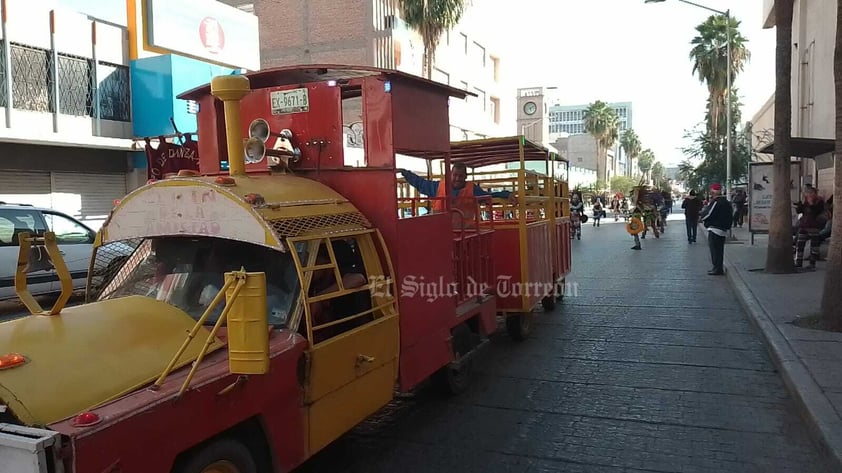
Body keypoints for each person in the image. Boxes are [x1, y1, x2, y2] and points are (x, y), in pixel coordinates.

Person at [398, 163, 516, 213]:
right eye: (455, 175)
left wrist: (506, 195)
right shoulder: (438, 187)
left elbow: (489, 197)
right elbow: (420, 183)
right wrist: (405, 173)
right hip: (441, 234)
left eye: (461, 176)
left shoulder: (472, 190)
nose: (457, 178)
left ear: (466, 176)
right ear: (450, 175)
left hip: (466, 236)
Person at [700, 183, 732, 275]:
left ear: (713, 192)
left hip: (715, 228)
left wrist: (702, 217)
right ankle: (718, 268)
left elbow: (708, 213)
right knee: (719, 250)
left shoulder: (717, 202)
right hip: (722, 229)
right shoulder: (726, 202)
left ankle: (716, 268)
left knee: (715, 250)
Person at [793, 186, 826, 271]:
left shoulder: (819, 201)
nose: (809, 194)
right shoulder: (805, 201)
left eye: (811, 193)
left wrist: (811, 204)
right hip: (804, 225)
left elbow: (816, 212)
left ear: (815, 194)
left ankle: (812, 264)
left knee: (814, 246)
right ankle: (798, 263)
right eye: (807, 192)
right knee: (800, 244)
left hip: (814, 226)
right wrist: (799, 206)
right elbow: (800, 211)